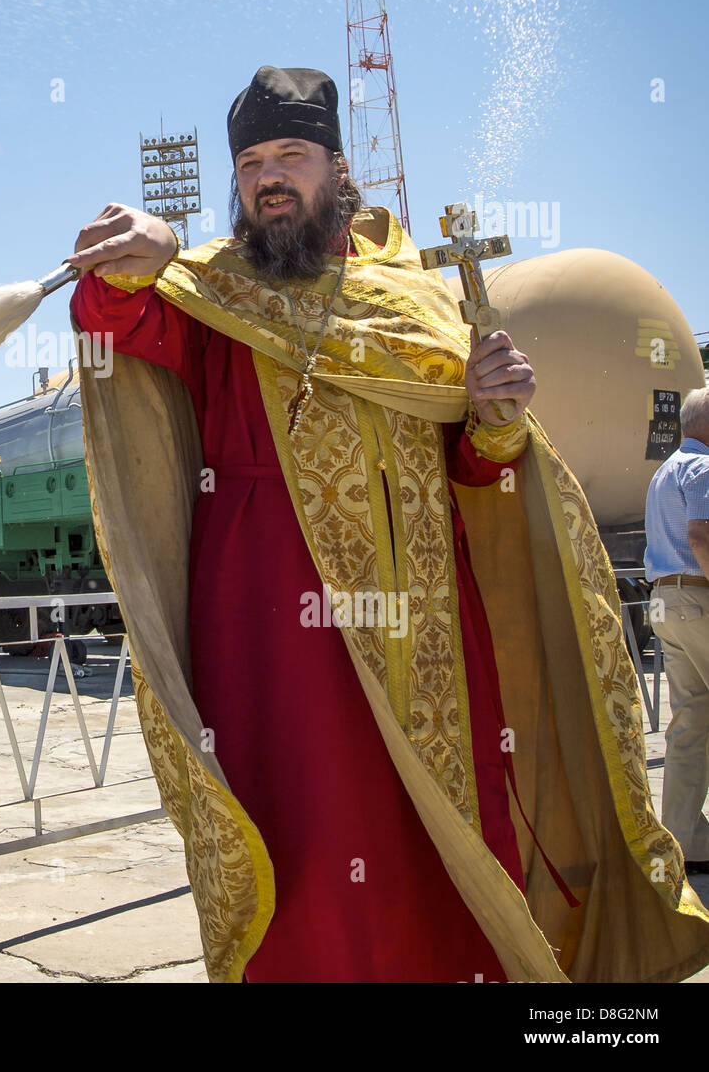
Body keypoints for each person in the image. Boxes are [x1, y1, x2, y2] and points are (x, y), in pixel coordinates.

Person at [69, 65, 709, 983]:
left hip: (426, 634)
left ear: (337, 166)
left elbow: (476, 474)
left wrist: (495, 419)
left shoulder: (414, 302)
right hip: (271, 643)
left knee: (440, 848)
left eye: (291, 154)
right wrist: (139, 260)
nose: (269, 177)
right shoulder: (208, 296)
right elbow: (118, 323)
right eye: (251, 161)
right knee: (310, 861)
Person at [644, 386, 709, 875]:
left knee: (690, 722)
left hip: (664, 600)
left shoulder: (664, 471)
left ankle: (686, 840)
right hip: (698, 595)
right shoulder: (703, 468)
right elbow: (701, 534)